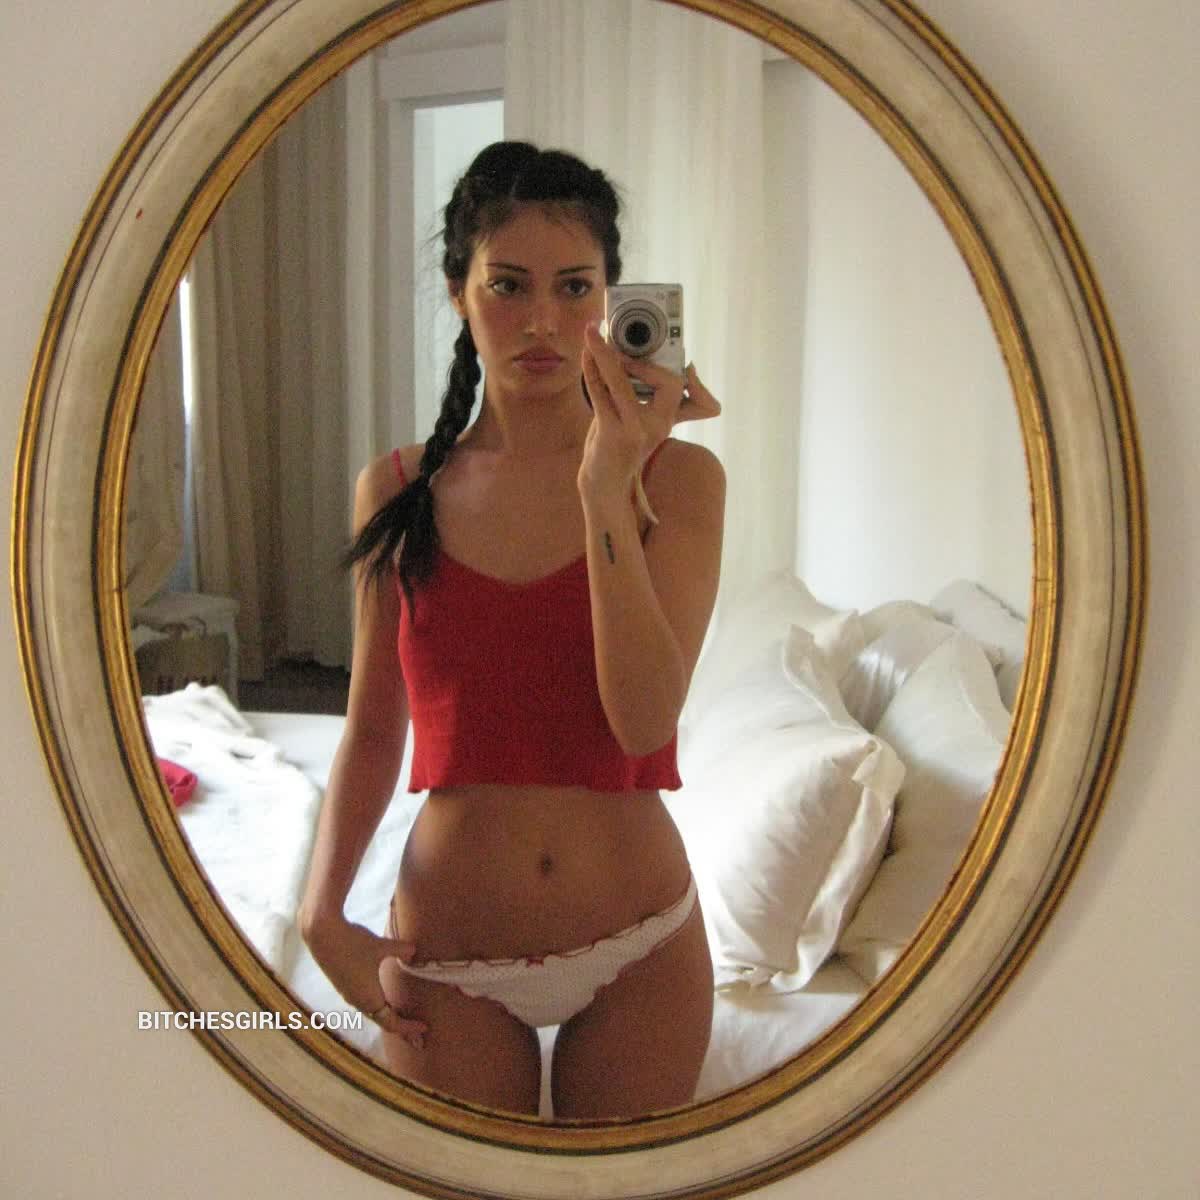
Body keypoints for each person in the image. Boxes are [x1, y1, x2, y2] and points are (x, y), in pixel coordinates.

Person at [298, 141, 725, 1120]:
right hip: (446, 953)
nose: (542, 320)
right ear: (459, 292)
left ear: (611, 299)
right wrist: (321, 911)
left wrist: (606, 490)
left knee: (619, 1192)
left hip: (643, 946)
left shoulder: (681, 481)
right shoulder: (397, 489)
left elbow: (643, 719)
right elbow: (373, 726)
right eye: (508, 285)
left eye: (574, 287)